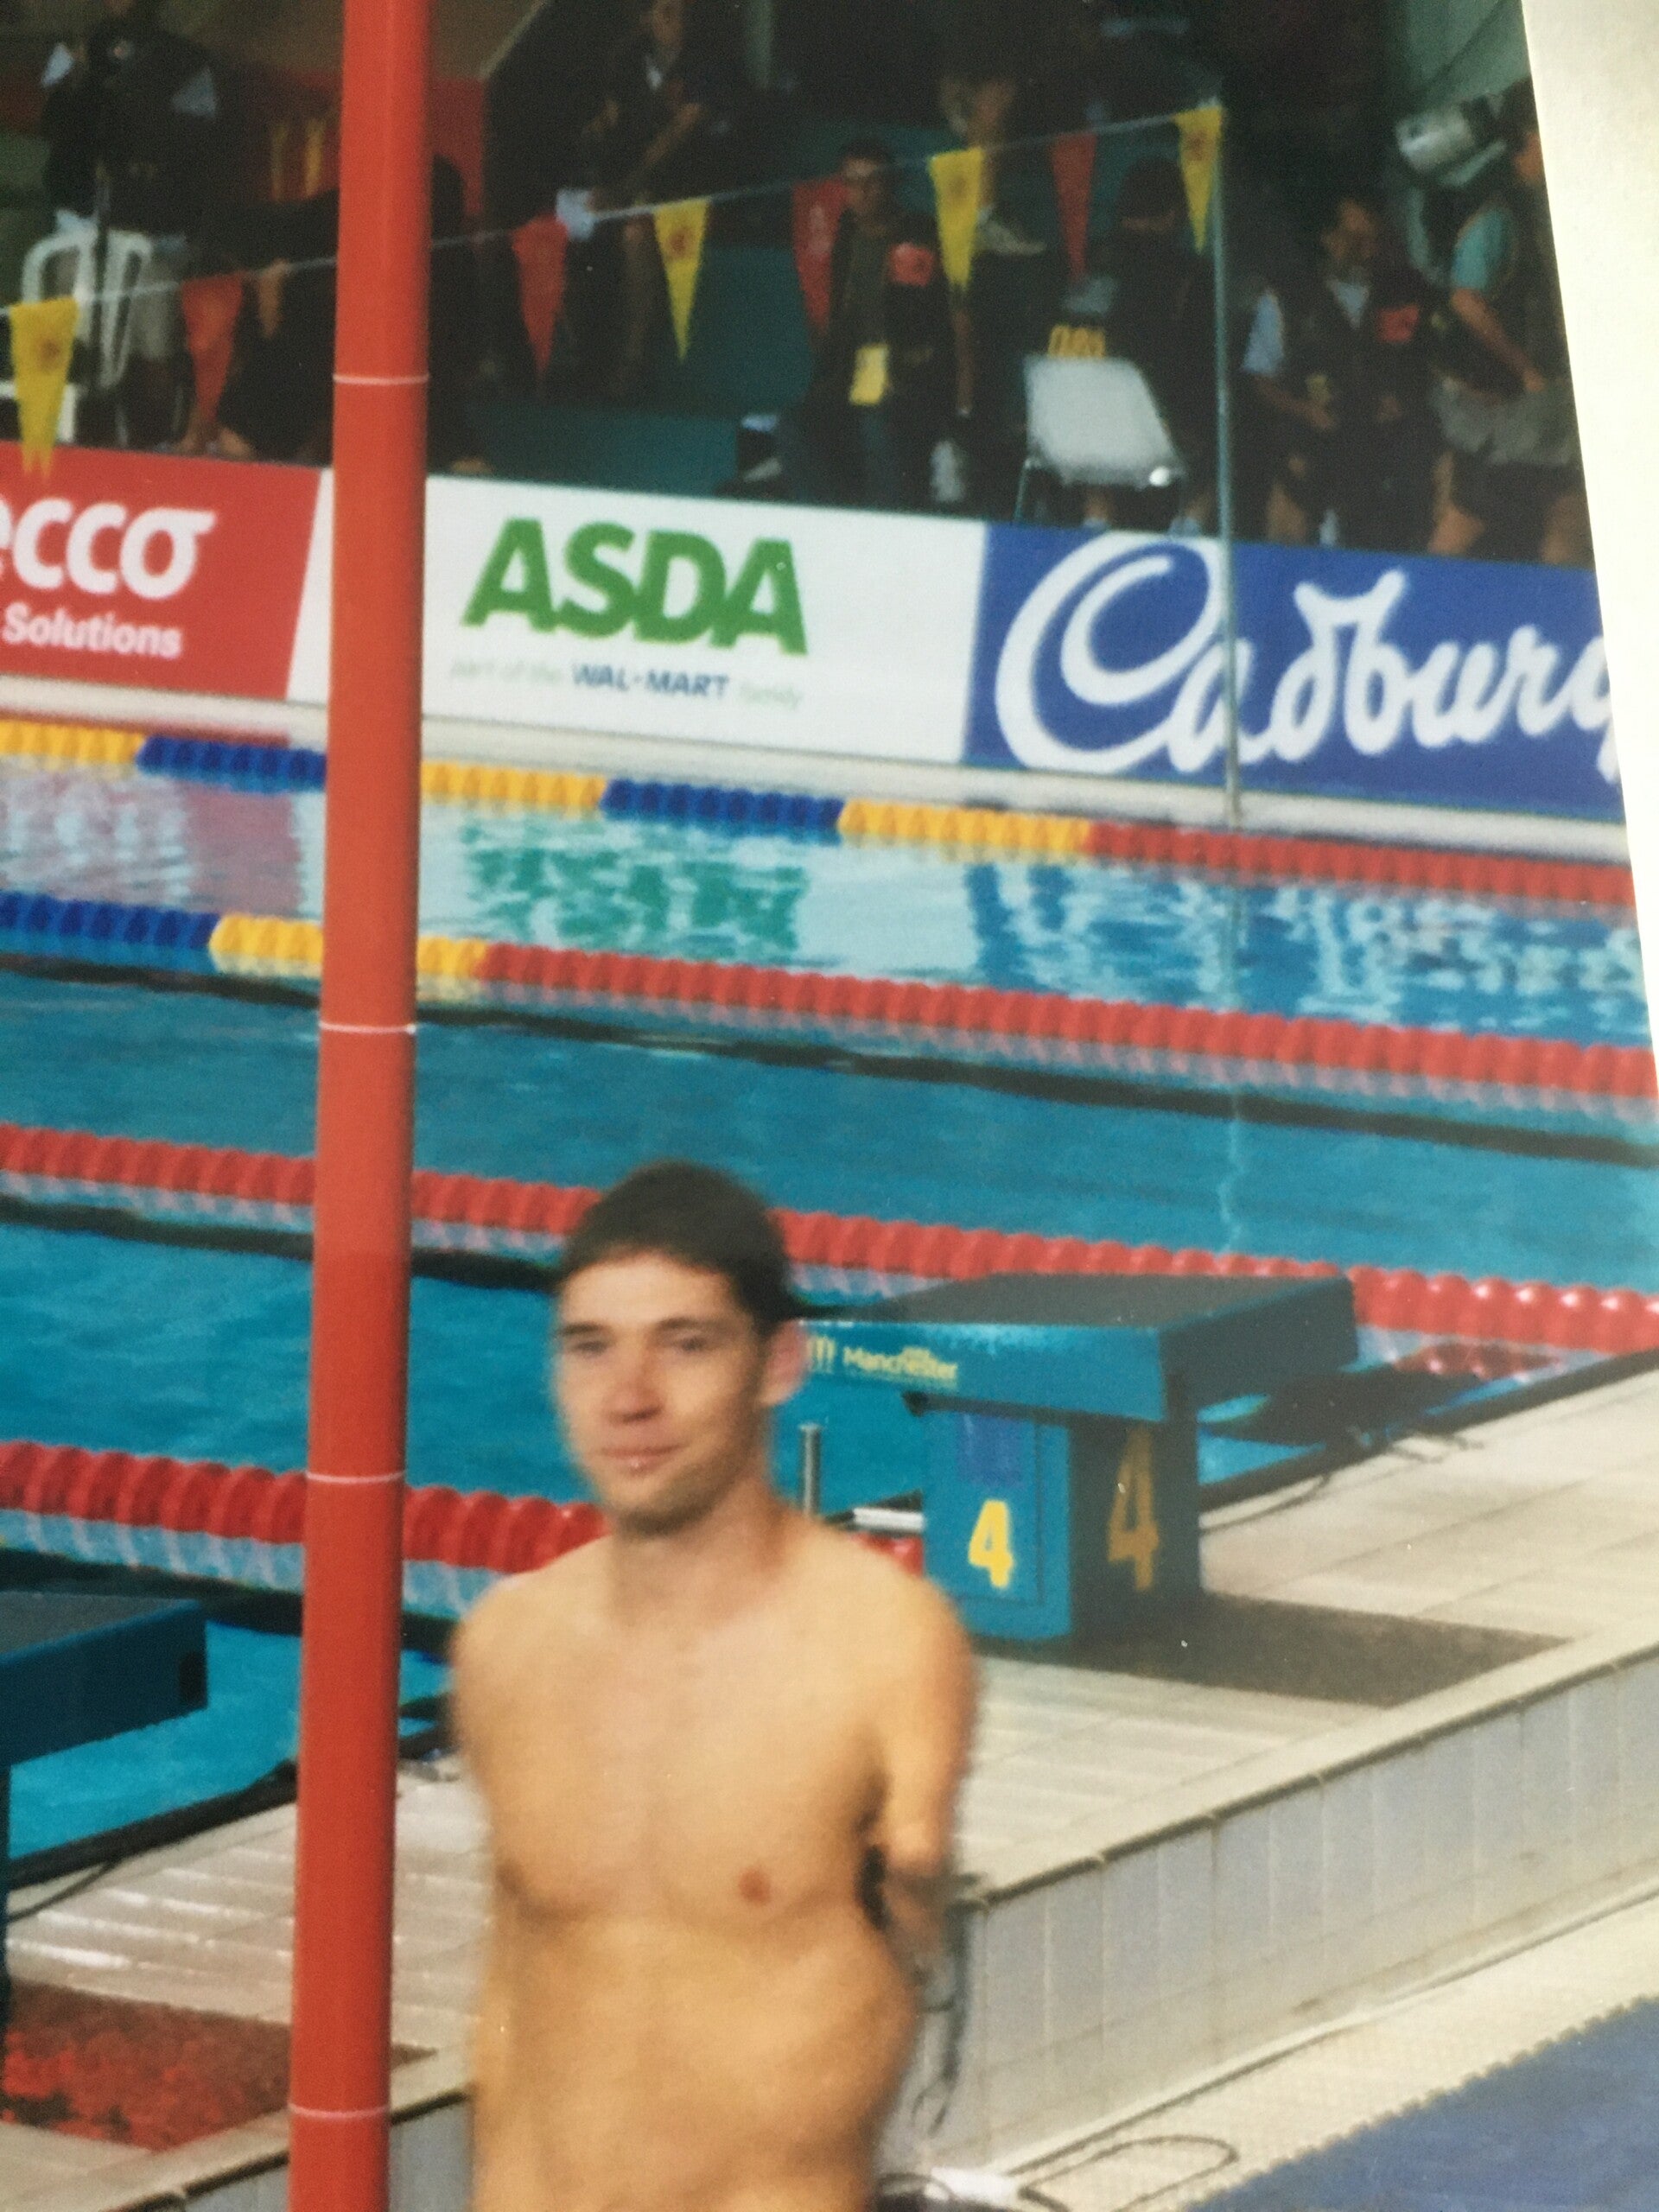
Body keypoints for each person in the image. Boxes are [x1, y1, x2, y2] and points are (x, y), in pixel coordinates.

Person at [453, 1160, 976, 2212]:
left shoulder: (884, 1644)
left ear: (777, 1362)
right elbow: (512, 2004)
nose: (630, 1397)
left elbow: (918, 1950)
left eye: (685, 1344)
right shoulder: (505, 1647)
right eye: (590, 1346)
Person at [38, 0, 221, 443]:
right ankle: (61, 442)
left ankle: (148, 448)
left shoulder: (187, 59)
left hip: (156, 232)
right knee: (59, 334)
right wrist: (81, 72)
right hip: (81, 225)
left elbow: (197, 144)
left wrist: (140, 87)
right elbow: (52, 123)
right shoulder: (77, 47)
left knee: (152, 347)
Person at [1427, 79, 1590, 566]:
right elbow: (1466, 301)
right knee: (1468, 522)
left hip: (1530, 411)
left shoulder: (1531, 200)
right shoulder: (1500, 211)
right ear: (1532, 134)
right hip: (1510, 413)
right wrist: (1527, 370)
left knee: (1566, 515)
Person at [1243, 181, 1440, 551]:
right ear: (1328, 238)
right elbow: (1260, 379)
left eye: (1374, 239)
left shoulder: (1400, 293)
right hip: (1313, 433)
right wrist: (1305, 410)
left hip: (1381, 439)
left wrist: (1403, 397)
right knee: (1296, 466)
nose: (1368, 250)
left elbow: (1420, 362)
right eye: (1356, 239)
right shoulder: (1286, 298)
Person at [778, 140, 957, 511]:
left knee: (878, 421)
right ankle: (825, 518)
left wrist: (895, 371)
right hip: (851, 375)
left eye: (872, 182)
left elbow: (915, 319)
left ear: (890, 185)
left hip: (906, 375)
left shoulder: (915, 233)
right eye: (851, 182)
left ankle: (883, 521)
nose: (861, 192)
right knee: (795, 422)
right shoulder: (843, 235)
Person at [576, 0, 741, 399]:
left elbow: (672, 141)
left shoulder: (707, 65)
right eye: (667, 12)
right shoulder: (627, 61)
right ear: (645, 18)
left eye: (685, 12)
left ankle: (631, 361)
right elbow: (612, 125)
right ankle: (582, 358)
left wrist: (622, 192)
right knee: (572, 229)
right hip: (630, 184)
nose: (678, 22)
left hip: (689, 188)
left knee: (636, 235)